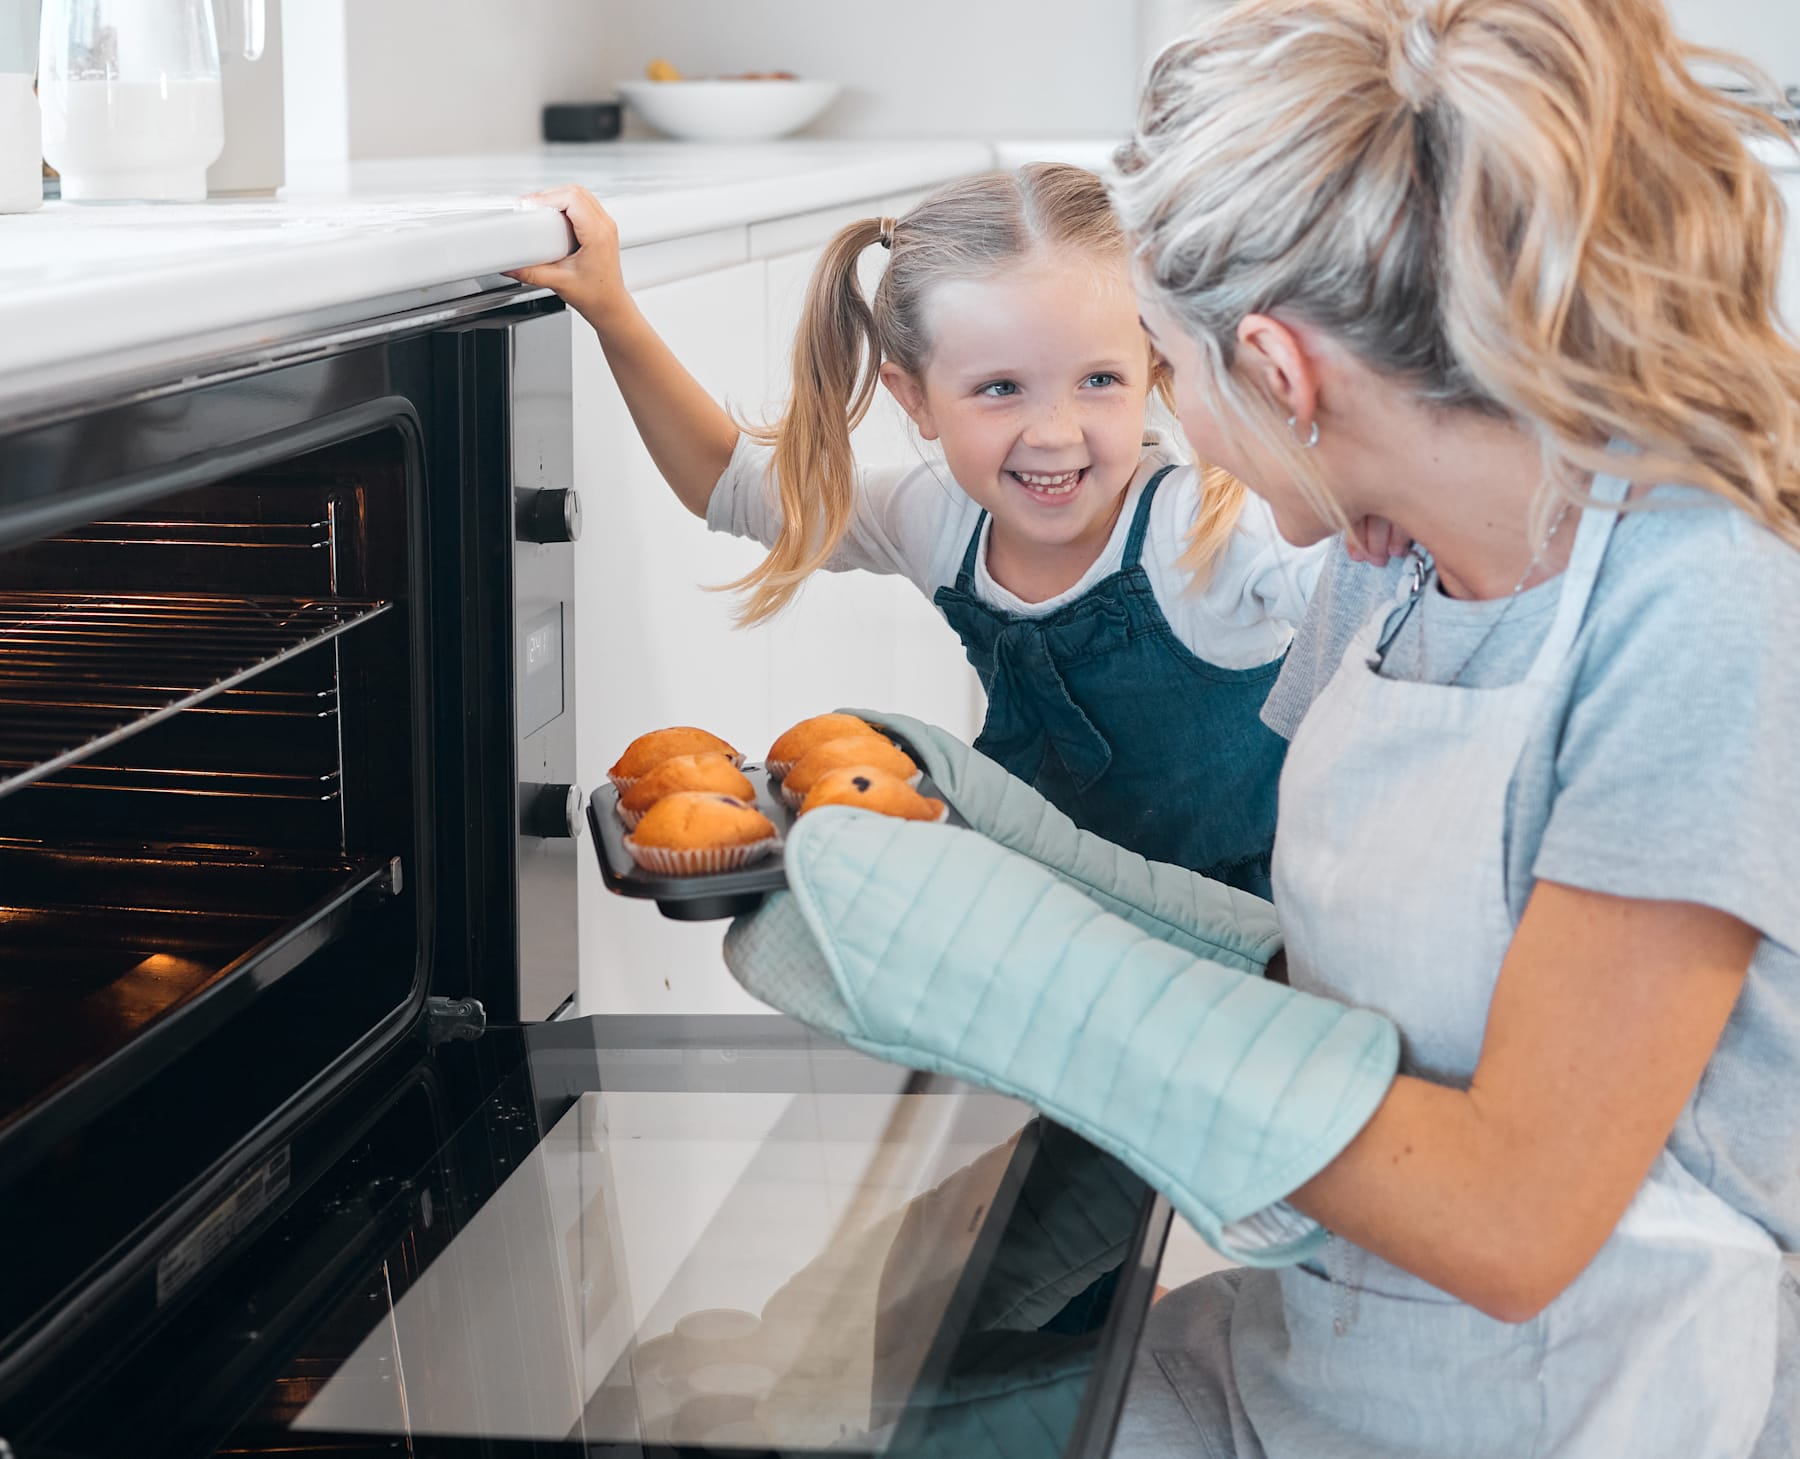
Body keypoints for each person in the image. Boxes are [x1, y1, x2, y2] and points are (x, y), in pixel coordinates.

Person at [1098, 0, 1800, 1452]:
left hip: (1627, 1398)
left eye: (1166, 367)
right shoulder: (1395, 566)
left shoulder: (1705, 608)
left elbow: (1514, 1214)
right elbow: (1336, 973)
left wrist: (1067, 1001)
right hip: (1352, 1352)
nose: (1172, 420)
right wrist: (1067, 889)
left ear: (1283, 372)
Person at [510, 165, 1329, 893]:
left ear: (1155, 368)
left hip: (1250, 940)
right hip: (1054, 920)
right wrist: (611, 309)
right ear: (915, 399)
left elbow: (1396, 602)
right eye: (1001, 387)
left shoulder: (1206, 528)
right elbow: (730, 485)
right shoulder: (939, 519)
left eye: (1099, 380)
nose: (1054, 430)